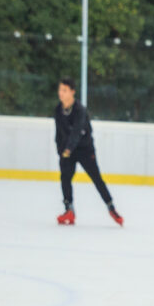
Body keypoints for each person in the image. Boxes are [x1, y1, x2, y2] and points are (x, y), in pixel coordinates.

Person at [53, 79, 123, 227]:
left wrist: (69, 148)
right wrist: (61, 150)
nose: (61, 93)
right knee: (65, 177)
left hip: (84, 149)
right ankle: (69, 209)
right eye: (60, 90)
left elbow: (78, 131)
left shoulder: (80, 110)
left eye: (64, 90)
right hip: (67, 150)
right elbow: (59, 133)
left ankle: (111, 207)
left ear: (72, 92)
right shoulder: (58, 110)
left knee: (96, 178)